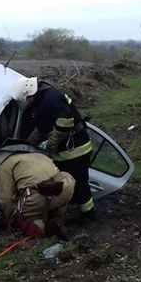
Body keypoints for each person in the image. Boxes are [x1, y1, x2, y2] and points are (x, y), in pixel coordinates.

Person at [19, 77, 95, 219]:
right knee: (62, 182)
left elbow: (64, 123)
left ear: (31, 93)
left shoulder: (51, 99)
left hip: (75, 150)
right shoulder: (44, 99)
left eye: (27, 99)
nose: (27, 102)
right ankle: (65, 211)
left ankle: (89, 215)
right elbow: (42, 127)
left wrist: (51, 147)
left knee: (79, 184)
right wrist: (28, 143)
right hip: (67, 151)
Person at [0, 141, 75, 239]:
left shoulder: (4, 165)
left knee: (24, 219)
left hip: (34, 196)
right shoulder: (42, 157)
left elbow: (6, 199)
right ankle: (56, 218)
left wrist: (10, 220)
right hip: (65, 189)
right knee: (56, 197)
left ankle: (41, 228)